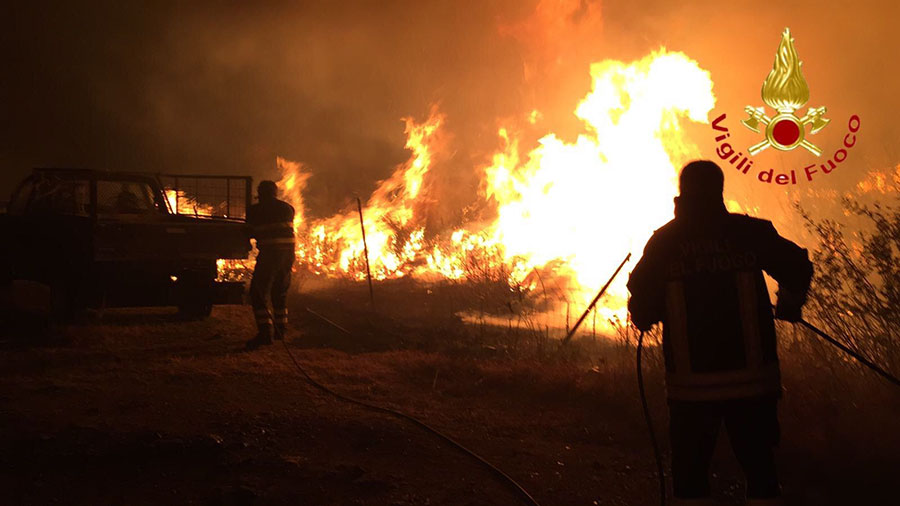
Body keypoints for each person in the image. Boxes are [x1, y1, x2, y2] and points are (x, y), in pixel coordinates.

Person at [627, 160, 813, 506]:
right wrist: (788, 304)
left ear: (681, 193)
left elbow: (640, 298)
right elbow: (797, 267)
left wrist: (647, 314)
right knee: (761, 473)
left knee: (690, 479)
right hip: (753, 384)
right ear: (720, 191)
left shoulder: (665, 242)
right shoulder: (748, 233)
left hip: (691, 390)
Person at [245, 180, 295, 349]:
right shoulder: (288, 208)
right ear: (275, 192)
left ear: (260, 193)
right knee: (280, 292)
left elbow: (249, 231)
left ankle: (265, 333)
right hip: (287, 256)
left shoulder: (255, 210)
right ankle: (281, 330)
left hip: (269, 255)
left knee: (258, 293)